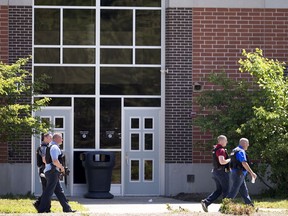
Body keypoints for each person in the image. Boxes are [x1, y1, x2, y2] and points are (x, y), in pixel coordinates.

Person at [37, 133, 75, 213]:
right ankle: (41, 209)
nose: (62, 140)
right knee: (48, 191)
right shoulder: (54, 147)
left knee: (59, 191)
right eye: (61, 138)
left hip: (52, 171)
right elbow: (55, 161)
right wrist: (62, 168)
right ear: (57, 139)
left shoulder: (51, 146)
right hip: (52, 172)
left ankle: (67, 209)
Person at [201, 135, 231, 212]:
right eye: (225, 140)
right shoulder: (221, 150)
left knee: (219, 190)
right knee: (226, 190)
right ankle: (225, 208)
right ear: (221, 141)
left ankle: (206, 202)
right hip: (221, 172)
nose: (227, 142)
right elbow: (222, 161)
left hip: (216, 172)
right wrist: (230, 160)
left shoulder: (216, 149)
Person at [226, 138, 257, 206]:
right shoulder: (241, 151)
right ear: (244, 144)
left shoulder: (234, 150)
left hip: (236, 173)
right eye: (247, 143)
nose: (248, 145)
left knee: (244, 190)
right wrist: (252, 173)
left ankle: (249, 205)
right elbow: (244, 163)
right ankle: (225, 205)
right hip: (238, 173)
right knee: (234, 190)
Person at [33, 133, 52, 210]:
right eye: (50, 137)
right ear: (45, 137)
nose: (51, 139)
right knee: (47, 189)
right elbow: (44, 159)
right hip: (44, 169)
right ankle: (41, 204)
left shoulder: (45, 147)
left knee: (47, 188)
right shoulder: (43, 147)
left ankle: (44, 206)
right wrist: (50, 166)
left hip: (43, 169)